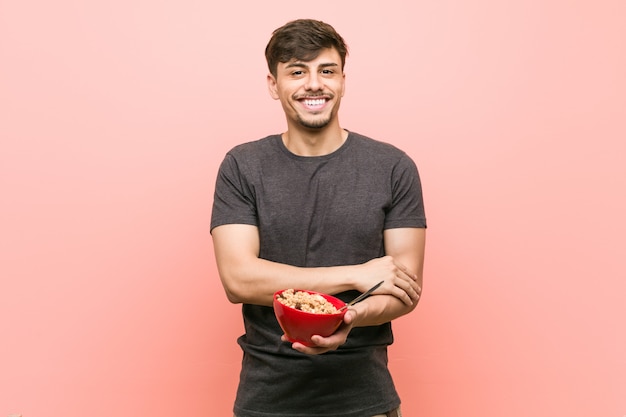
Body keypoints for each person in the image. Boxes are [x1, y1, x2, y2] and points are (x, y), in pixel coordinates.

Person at [210, 18, 427, 417]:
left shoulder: (393, 167)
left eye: (326, 70)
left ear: (343, 79)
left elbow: (404, 288)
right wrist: (353, 275)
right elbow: (238, 279)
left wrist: (351, 316)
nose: (314, 84)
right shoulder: (242, 166)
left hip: (366, 400)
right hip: (267, 400)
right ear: (274, 85)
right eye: (297, 71)